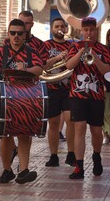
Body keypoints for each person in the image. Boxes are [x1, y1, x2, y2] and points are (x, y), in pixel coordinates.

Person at [0, 18, 44, 184]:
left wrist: (26, 69)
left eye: (20, 33)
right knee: (5, 136)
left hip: (26, 98)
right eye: (13, 33)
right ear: (8, 34)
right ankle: (7, 170)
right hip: (4, 98)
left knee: (25, 134)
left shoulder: (31, 52)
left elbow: (40, 68)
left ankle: (24, 171)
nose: (16, 36)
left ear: (25, 35)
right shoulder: (0, 52)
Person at [65, 17, 110, 179]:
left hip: (96, 94)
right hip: (77, 94)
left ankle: (96, 156)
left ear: (96, 31)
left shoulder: (103, 49)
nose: (89, 33)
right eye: (86, 30)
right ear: (81, 31)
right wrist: (80, 52)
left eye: (91, 30)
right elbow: (69, 66)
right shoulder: (74, 46)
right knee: (79, 127)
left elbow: (106, 71)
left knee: (96, 130)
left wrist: (95, 57)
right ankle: (79, 166)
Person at [43, 17, 75, 167]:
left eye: (62, 26)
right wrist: (57, 58)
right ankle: (53, 155)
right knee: (54, 123)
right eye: (56, 26)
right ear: (52, 29)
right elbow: (42, 66)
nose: (60, 28)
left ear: (66, 29)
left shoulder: (72, 45)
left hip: (68, 87)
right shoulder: (45, 45)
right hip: (51, 87)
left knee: (70, 121)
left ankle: (71, 153)